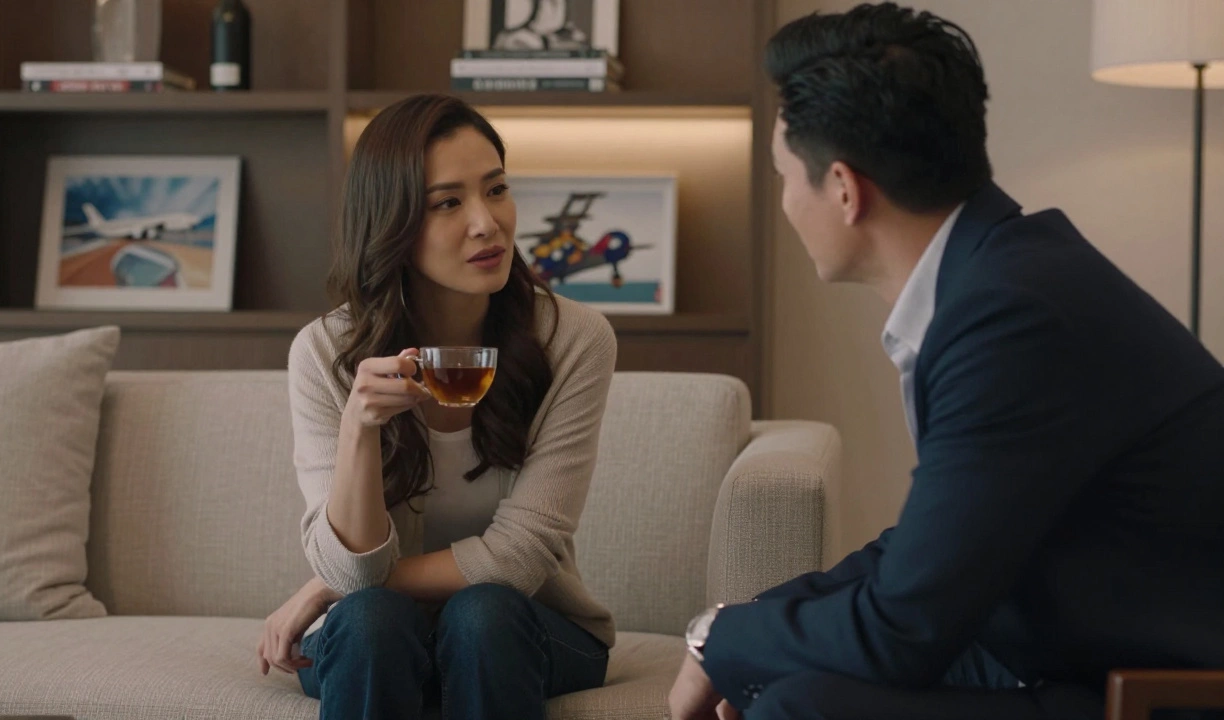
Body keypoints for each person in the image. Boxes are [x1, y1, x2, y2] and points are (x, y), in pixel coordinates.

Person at [668, 3, 1224, 719]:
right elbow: (933, 551)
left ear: (843, 189)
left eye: (783, 176)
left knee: (800, 708)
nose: (783, 200)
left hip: (1158, 693)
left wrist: (720, 637)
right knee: (784, 686)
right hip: (1073, 650)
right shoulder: (1005, 276)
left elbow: (905, 628)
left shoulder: (1011, 318)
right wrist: (743, 627)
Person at [255, 93, 617, 720]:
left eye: (496, 189)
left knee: (482, 612)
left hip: (522, 630)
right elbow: (355, 573)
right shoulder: (324, 353)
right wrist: (358, 429)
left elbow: (521, 555)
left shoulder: (572, 340)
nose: (487, 223)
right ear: (391, 223)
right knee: (369, 619)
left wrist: (323, 588)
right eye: (448, 203)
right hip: (378, 638)